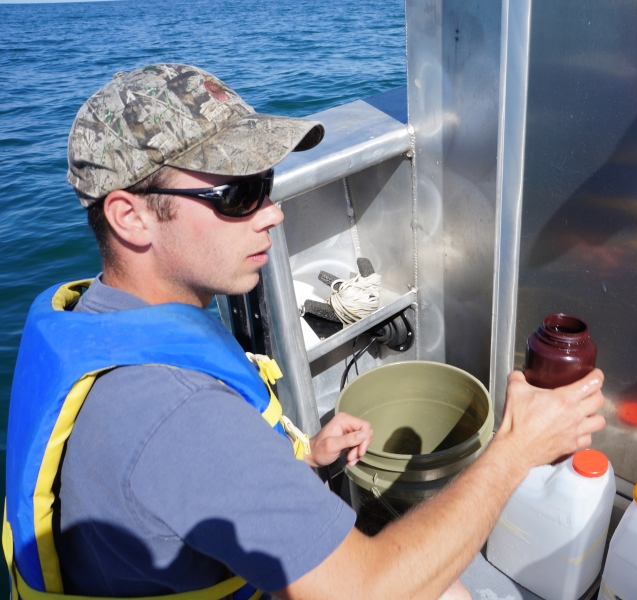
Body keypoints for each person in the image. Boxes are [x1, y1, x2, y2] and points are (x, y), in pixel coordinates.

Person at [4, 64, 606, 600]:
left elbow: (177, 487)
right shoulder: (174, 411)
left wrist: (304, 461)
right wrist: (517, 447)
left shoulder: (96, 320)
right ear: (130, 216)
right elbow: (367, 590)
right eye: (238, 194)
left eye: (265, 185)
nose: (274, 211)